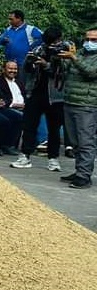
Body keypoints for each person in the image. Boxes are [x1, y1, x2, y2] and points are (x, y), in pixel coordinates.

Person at [10, 26, 71, 171]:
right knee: (29, 126)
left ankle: (53, 158)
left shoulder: (65, 51)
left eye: (55, 41)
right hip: (35, 92)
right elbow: (27, 70)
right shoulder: (38, 49)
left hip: (55, 95)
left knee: (54, 129)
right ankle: (25, 155)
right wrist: (30, 62)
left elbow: (64, 72)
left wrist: (46, 65)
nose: (53, 44)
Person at [59, 27, 97, 189]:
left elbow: (91, 72)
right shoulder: (79, 53)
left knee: (86, 141)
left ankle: (84, 176)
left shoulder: (78, 56)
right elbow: (65, 71)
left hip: (87, 104)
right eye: (87, 39)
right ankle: (79, 170)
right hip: (70, 101)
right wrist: (60, 59)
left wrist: (73, 58)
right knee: (75, 142)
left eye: (94, 40)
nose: (89, 42)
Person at [0, 60, 26, 155]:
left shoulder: (19, 82)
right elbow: (2, 99)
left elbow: (24, 95)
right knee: (18, 116)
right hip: (5, 108)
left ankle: (31, 145)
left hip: (22, 107)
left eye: (15, 69)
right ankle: (7, 145)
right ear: (4, 69)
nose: (13, 71)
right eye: (10, 68)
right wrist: (15, 105)